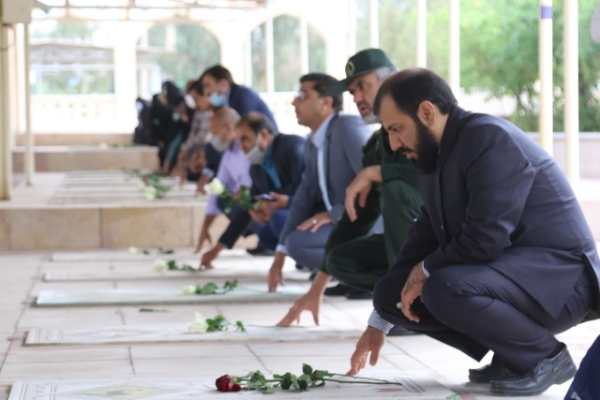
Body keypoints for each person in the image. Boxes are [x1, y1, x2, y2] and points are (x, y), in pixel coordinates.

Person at [346, 68, 600, 397]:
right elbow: (424, 233)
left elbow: (486, 239)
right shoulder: (433, 154)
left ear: (427, 112)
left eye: (396, 129)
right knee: (388, 293)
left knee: (444, 286)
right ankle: (513, 354)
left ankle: (544, 356)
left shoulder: (488, 138)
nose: (394, 144)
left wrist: (424, 270)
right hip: (511, 277)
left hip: (559, 282)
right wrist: (379, 321)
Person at [277, 50, 421, 331]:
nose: (356, 98)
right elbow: (358, 214)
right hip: (409, 244)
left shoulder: (424, 122)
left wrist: (378, 173)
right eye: (353, 91)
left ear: (391, 80)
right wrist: (317, 288)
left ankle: (412, 307)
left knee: (395, 191)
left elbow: (429, 175)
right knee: (340, 260)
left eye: (363, 86)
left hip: (448, 241)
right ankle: (411, 298)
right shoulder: (378, 144)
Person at [266, 73, 371, 292]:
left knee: (299, 243)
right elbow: (303, 197)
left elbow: (375, 185)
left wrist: (333, 214)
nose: (294, 102)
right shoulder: (312, 142)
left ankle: (372, 274)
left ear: (326, 103)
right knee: (293, 241)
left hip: (371, 221)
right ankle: (351, 277)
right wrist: (279, 255)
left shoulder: (348, 128)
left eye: (303, 95)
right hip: (346, 221)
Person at [200, 112, 305, 269]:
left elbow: (306, 188)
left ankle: (317, 259)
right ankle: (304, 257)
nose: (241, 147)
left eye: (245, 139)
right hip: (292, 211)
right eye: (239, 141)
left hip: (314, 211)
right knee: (265, 235)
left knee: (278, 219)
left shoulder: (292, 147)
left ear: (263, 135)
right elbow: (247, 207)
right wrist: (217, 249)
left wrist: (280, 203)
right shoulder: (256, 168)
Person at [195, 107, 252, 255]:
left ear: (229, 128)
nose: (213, 139)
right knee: (223, 199)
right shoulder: (229, 153)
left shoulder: (248, 149)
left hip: (263, 200)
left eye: (215, 133)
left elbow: (247, 189)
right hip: (245, 202)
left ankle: (265, 236)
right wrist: (204, 228)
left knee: (241, 204)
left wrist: (216, 250)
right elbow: (218, 188)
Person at [200, 65, 278, 131]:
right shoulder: (229, 100)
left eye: (208, 85)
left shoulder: (242, 95)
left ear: (223, 84)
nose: (206, 92)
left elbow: (245, 130)